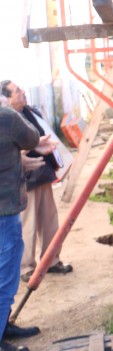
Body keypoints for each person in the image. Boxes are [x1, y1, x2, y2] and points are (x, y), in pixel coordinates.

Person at [0, 81, 72, 286]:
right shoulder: (9, 119)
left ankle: (51, 260)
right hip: (25, 179)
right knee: (28, 223)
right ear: (7, 98)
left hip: (42, 173)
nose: (22, 93)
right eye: (17, 91)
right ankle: (27, 267)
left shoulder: (28, 113)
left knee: (49, 219)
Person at [0, 94, 46, 351]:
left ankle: (5, 329)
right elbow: (32, 138)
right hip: (4, 212)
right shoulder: (6, 117)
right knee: (5, 280)